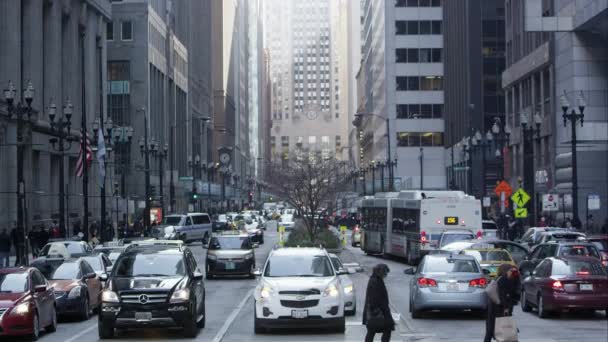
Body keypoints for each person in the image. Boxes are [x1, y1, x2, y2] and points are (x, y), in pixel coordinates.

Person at [484, 264, 521, 342]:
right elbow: (503, 295)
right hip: (499, 308)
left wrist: (517, 277)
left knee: (493, 330)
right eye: (511, 271)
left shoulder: (507, 279)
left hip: (496, 307)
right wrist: (506, 308)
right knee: (504, 328)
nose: (513, 272)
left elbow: (516, 291)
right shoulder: (503, 279)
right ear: (505, 271)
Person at [363, 264, 394, 342]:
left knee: (371, 331)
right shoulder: (375, 281)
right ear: (380, 272)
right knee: (387, 328)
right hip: (376, 312)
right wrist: (382, 311)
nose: (385, 275)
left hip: (374, 312)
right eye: (385, 273)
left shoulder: (375, 279)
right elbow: (376, 299)